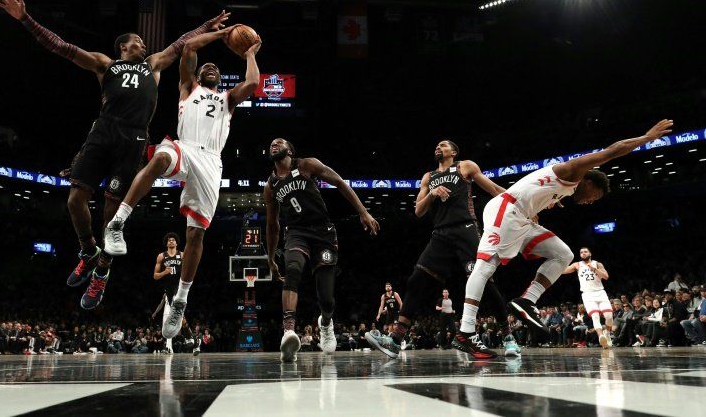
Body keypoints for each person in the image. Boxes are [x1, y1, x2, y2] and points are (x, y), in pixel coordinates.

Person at [0, 0, 230, 305]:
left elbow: (180, 44)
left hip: (134, 139)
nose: (144, 45)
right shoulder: (105, 64)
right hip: (103, 131)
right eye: (138, 42)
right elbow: (62, 47)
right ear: (123, 46)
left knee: (111, 211)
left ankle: (102, 272)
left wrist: (206, 27)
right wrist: (26, 19)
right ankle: (88, 251)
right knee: (75, 200)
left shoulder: (153, 65)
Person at [452, 120, 673, 359]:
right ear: (589, 181)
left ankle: (526, 301)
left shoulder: (566, 188)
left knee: (563, 254)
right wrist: (646, 138)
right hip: (505, 211)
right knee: (485, 267)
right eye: (594, 196)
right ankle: (465, 332)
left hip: (522, 219)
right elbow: (612, 151)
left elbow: (537, 193)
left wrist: (544, 203)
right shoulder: (572, 170)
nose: (591, 201)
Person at [96, 34, 261, 330]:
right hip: (185, 147)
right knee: (160, 157)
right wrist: (221, 34)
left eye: (215, 69)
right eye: (205, 67)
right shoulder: (188, 87)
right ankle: (118, 222)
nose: (210, 68)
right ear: (196, 74)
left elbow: (252, 83)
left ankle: (181, 300)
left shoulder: (228, 98)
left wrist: (249, 54)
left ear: (220, 79)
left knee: (195, 235)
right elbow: (189, 47)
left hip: (211, 161)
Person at [367, 139, 518, 359]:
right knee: (416, 281)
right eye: (436, 146)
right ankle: (396, 340)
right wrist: (432, 193)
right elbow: (418, 211)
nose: (438, 147)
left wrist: (521, 205)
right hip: (440, 234)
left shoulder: (465, 166)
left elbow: (495, 189)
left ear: (454, 152)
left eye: (443, 145)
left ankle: (508, 337)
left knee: (484, 282)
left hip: (465, 229)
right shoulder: (428, 177)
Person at [264, 138, 380, 362]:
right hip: (296, 233)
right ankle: (288, 331)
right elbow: (272, 225)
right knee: (293, 270)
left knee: (326, 298)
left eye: (279, 142)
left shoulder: (306, 164)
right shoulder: (270, 186)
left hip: (323, 233)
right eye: (271, 144)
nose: (274, 144)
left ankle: (325, 323)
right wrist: (270, 258)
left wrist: (363, 211)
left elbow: (340, 182)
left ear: (290, 149)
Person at [563, 247, 613, 348]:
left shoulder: (597, 264)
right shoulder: (577, 265)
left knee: (609, 316)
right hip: (587, 294)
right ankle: (601, 336)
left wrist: (595, 269)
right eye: (581, 252)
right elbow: (563, 271)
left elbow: (606, 276)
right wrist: (554, 266)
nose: (583, 253)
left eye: (585, 252)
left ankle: (607, 333)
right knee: (595, 316)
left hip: (600, 292)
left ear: (590, 254)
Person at [153, 232, 183, 352]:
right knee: (169, 317)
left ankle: (190, 340)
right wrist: (164, 272)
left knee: (176, 316)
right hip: (168, 289)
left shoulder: (182, 255)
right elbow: (155, 276)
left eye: (173, 240)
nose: (171, 241)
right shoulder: (161, 256)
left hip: (179, 288)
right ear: (166, 243)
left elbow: (188, 271)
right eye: (169, 240)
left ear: (176, 243)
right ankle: (169, 345)